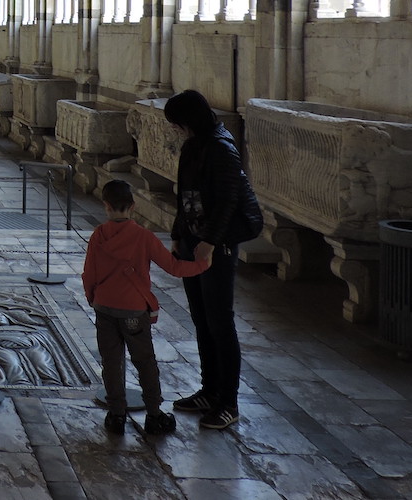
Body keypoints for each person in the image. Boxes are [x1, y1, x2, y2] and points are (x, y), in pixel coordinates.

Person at [164, 89, 264, 430]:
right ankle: (209, 390)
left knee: (220, 322)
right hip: (193, 242)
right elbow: (186, 196)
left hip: (215, 247)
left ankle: (229, 401)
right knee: (202, 318)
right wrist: (178, 233)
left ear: (190, 120)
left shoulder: (222, 148)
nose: (177, 130)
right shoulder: (194, 146)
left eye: (178, 123)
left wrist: (208, 242)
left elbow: (227, 202)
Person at [83, 180, 214, 436]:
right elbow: (174, 268)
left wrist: (92, 297)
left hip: (105, 308)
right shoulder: (144, 237)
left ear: (106, 205)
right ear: (133, 206)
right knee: (144, 362)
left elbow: (89, 273)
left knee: (111, 362)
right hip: (133, 311)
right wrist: (202, 265)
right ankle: (154, 414)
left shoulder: (98, 235)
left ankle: (116, 415)